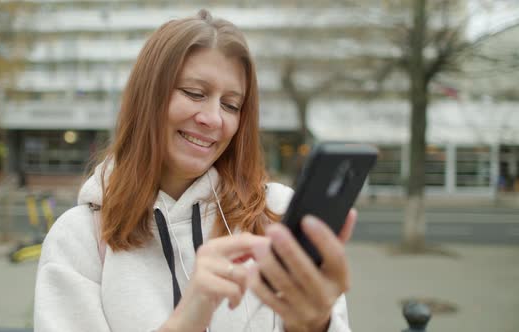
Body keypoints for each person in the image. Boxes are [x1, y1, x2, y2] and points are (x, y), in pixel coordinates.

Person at [34, 9, 356, 332]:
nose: (213, 118)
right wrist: (185, 322)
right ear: (148, 97)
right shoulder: (78, 240)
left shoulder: (277, 216)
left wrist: (315, 324)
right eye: (194, 93)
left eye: (231, 105)